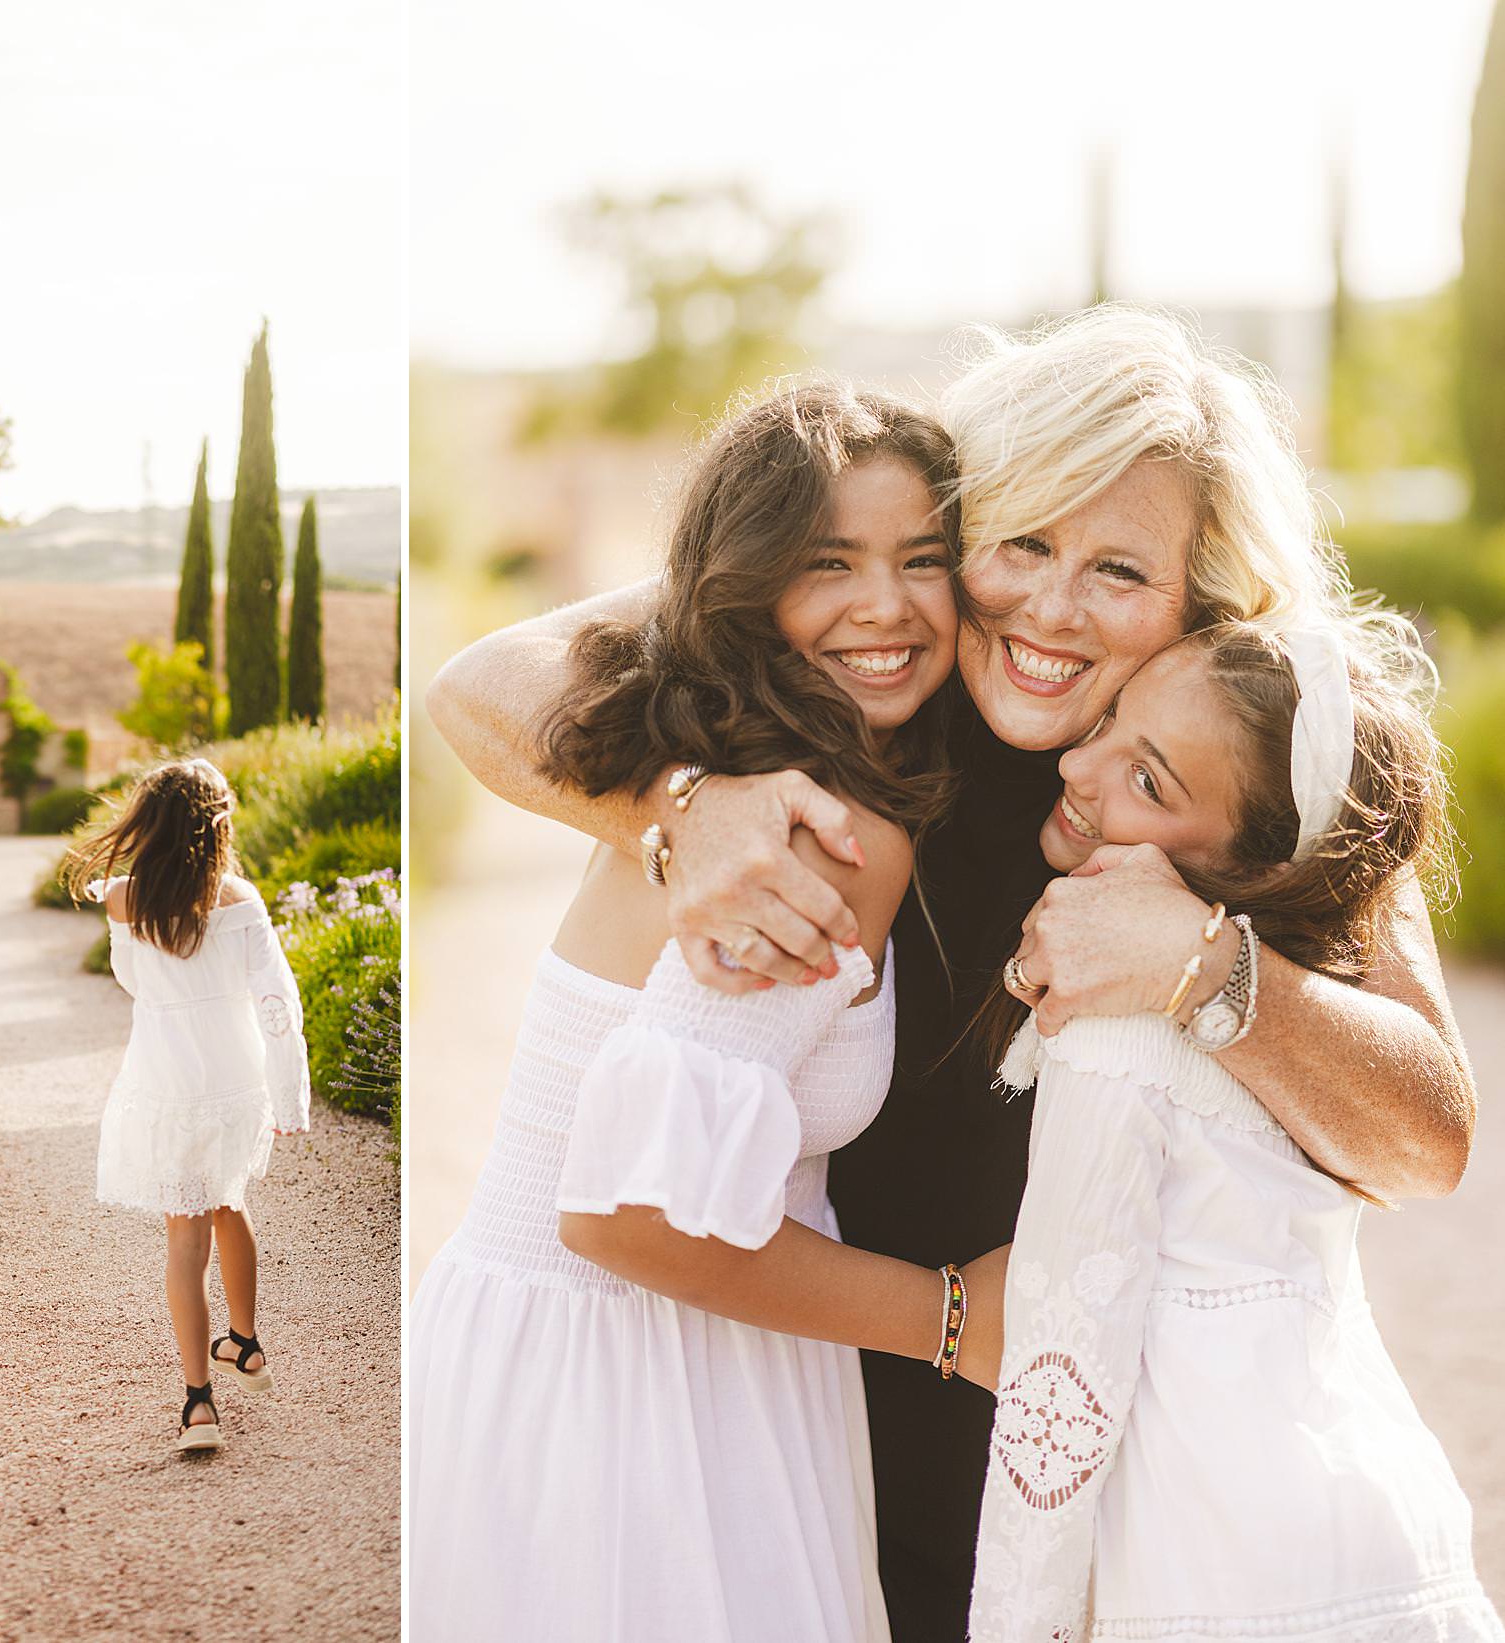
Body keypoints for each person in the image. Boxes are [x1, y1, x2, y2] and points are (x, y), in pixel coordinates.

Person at [426, 307, 1477, 1636]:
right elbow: (486, 680)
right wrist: (681, 802)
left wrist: (1211, 965)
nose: (1047, 607)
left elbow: (1428, 1135)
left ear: (1203, 591)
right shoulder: (875, 672)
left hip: (1138, 1488)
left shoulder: (1255, 761)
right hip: (844, 1440)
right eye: (1021, 540)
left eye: (1118, 572)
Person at [413, 383, 1016, 1642]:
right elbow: (626, 1214)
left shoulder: (689, 756)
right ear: (744, 589)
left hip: (580, 1360)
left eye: (923, 560)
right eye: (826, 563)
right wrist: (953, 1318)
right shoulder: (815, 832)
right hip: (644, 1389)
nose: (887, 605)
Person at [972, 619, 1500, 1640]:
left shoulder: (1115, 1013)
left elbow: (1061, 1382)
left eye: (1150, 781)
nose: (1077, 763)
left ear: (1251, 863)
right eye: (1114, 720)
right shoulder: (1301, 1002)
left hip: (1213, 1557)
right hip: (1359, 1507)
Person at [63, 758, 312, 1454]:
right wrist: (290, 1094)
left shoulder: (124, 897)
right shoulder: (242, 899)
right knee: (230, 1202)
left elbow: (129, 980)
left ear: (152, 822)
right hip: (236, 1082)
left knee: (184, 1235)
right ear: (218, 825)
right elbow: (278, 1003)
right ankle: (247, 1341)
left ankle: (199, 1402)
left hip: (168, 1076)